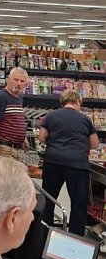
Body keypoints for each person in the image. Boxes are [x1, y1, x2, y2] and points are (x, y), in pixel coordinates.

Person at [38, 89, 99, 236]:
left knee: (48, 199)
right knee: (78, 204)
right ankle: (74, 239)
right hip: (77, 165)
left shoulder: (51, 116)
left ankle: (43, 234)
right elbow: (95, 144)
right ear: (78, 102)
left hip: (53, 161)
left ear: (62, 102)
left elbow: (41, 137)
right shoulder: (85, 119)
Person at [0, 67, 29, 158]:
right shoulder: (1, 97)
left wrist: (23, 139)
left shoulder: (19, 97)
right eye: (16, 80)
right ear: (8, 79)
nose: (19, 83)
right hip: (5, 149)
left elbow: (15, 120)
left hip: (16, 149)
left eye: (22, 81)